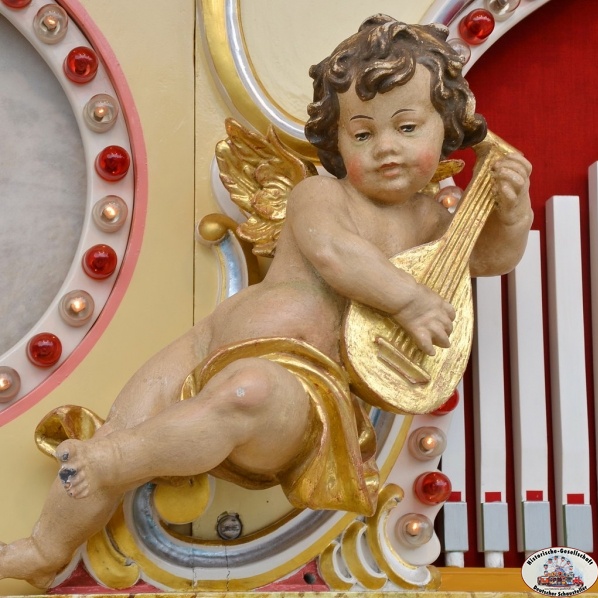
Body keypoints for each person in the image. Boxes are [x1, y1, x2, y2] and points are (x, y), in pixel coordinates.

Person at [0, 14, 532, 587]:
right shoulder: (319, 194)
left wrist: (512, 215)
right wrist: (407, 300)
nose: (385, 148)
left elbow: (488, 259)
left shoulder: (432, 221)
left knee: (245, 393)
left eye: (406, 128)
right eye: (361, 134)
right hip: (208, 342)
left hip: (303, 383)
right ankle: (46, 547)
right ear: (336, 139)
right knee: (121, 422)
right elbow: (335, 253)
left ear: (445, 128)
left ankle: (115, 462)